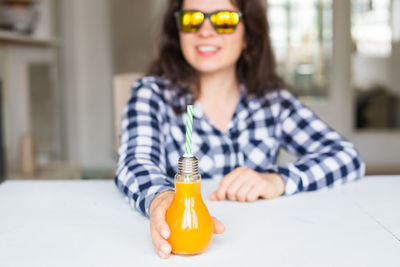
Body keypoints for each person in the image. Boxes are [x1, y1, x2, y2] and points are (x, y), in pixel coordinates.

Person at [114, 0, 365, 259]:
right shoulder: (152, 94)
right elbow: (135, 162)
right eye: (192, 20)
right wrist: (161, 198)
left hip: (263, 251)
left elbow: (346, 156)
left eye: (224, 20)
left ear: (248, 36)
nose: (206, 31)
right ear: (179, 35)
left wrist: (277, 180)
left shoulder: (273, 102)